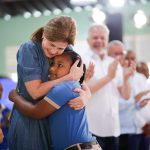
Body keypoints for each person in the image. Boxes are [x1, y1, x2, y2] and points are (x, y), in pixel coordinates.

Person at [9, 16, 90, 150]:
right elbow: (35, 92)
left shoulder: (67, 47)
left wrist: (87, 95)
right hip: (29, 118)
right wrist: (68, 77)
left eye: (60, 48)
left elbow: (80, 79)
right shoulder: (29, 49)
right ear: (44, 34)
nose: (54, 51)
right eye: (51, 44)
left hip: (52, 118)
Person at [9, 50, 102, 150]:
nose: (52, 69)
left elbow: (36, 112)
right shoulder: (71, 86)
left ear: (74, 69)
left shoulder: (65, 87)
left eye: (60, 65)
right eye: (52, 64)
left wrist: (15, 97)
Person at [81, 24, 133, 150]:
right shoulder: (82, 60)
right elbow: (83, 91)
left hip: (113, 127)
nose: (99, 41)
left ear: (107, 40)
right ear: (88, 40)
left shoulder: (113, 62)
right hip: (91, 128)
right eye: (95, 37)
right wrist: (109, 77)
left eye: (102, 38)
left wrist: (126, 79)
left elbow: (125, 96)